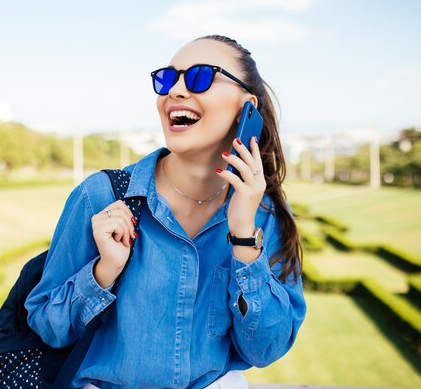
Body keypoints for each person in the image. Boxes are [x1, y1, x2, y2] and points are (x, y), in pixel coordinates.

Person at [25, 35, 306, 389]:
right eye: (167, 79)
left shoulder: (264, 215)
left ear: (246, 107)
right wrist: (103, 272)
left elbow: (266, 349)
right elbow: (47, 324)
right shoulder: (99, 196)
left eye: (200, 76)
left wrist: (244, 239)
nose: (175, 90)